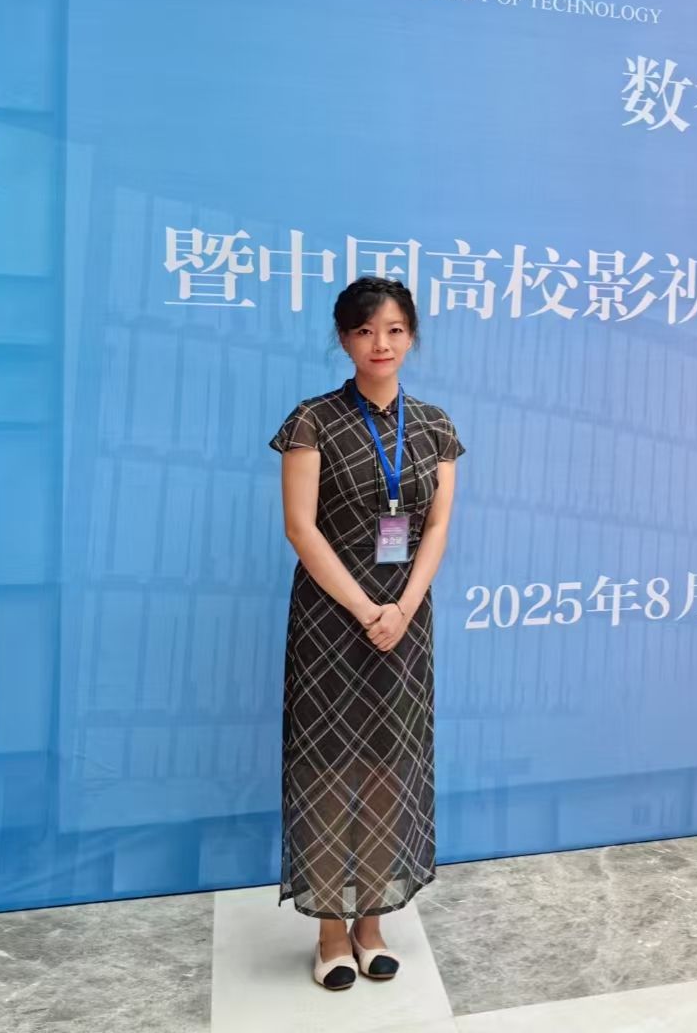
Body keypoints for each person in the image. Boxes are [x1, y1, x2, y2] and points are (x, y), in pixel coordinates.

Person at [270, 276, 463, 990]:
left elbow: (436, 528)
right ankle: (330, 932)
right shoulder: (312, 421)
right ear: (344, 338)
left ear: (412, 336)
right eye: (363, 331)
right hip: (331, 616)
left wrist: (403, 608)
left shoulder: (436, 426)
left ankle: (373, 924)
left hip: (406, 617)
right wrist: (365, 609)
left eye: (394, 330)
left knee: (389, 763)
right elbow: (301, 529)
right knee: (327, 766)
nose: (380, 344)